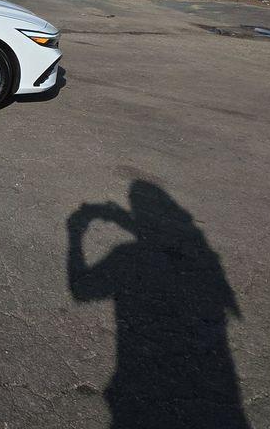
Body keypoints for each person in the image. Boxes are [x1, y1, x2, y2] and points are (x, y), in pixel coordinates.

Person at [67, 181, 250, 429]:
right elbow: (159, 238)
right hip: (215, 395)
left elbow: (82, 289)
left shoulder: (129, 256)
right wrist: (122, 219)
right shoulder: (204, 258)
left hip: (144, 395)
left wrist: (75, 232)